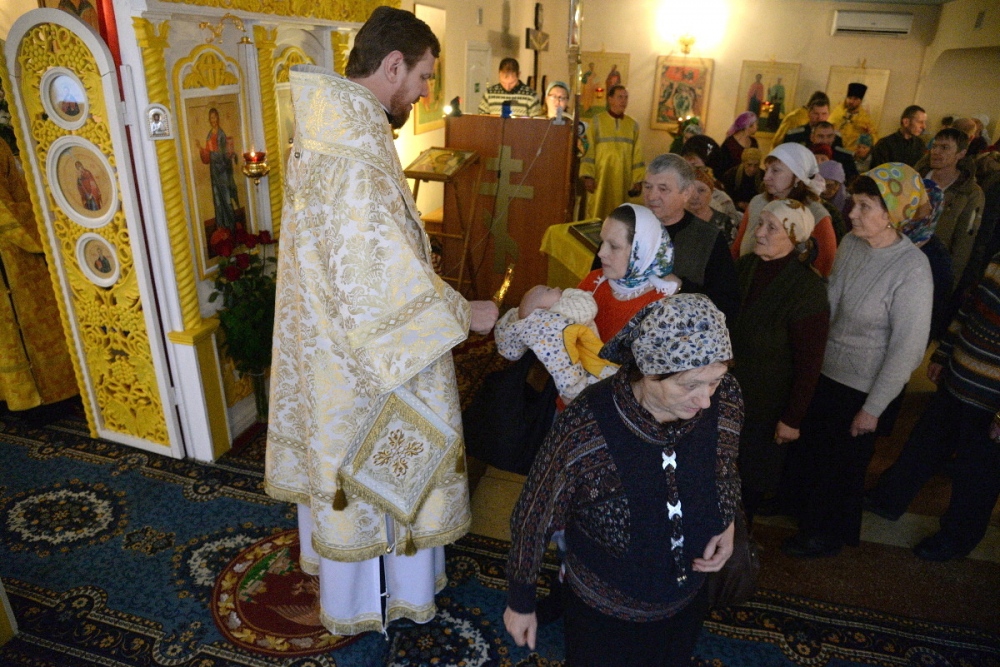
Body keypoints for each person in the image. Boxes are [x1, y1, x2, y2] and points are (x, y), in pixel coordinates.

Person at [266, 6, 499, 636]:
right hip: (365, 362)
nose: (424, 92)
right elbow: (375, 282)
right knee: (377, 474)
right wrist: (464, 312)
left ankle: (371, 590)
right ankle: (375, 599)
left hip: (335, 348)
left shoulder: (338, 129)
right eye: (423, 76)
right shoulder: (351, 153)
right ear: (393, 65)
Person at [504, 294, 741, 667]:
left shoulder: (726, 397)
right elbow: (536, 512)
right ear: (649, 370)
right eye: (690, 385)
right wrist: (520, 601)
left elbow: (725, 465)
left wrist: (728, 521)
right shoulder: (586, 425)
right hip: (603, 612)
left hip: (685, 603)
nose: (706, 400)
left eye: (714, 381)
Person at [779, 164, 933, 558]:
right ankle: (801, 512)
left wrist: (873, 408)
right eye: (854, 203)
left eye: (865, 206)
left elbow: (908, 350)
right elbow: (830, 303)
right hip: (825, 371)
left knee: (840, 468)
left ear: (892, 214)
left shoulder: (913, 270)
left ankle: (825, 535)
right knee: (811, 451)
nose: (852, 213)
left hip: (862, 387)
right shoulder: (851, 243)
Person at [864, 251, 1000, 561]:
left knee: (976, 478)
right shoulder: (997, 260)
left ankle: (955, 540)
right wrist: (943, 353)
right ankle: (888, 500)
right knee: (922, 446)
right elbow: (967, 310)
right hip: (957, 379)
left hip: (990, 402)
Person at [730, 199, 829, 525]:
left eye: (771, 227)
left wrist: (792, 418)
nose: (758, 232)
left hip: (767, 404)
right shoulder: (746, 267)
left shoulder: (807, 288)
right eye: (760, 223)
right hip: (727, 393)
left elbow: (809, 363)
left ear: (794, 236)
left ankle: (740, 542)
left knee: (751, 478)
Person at [0, 139, 78, 412]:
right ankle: (31, 399)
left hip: (16, 254)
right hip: (13, 251)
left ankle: (40, 394)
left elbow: (17, 189)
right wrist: (42, 226)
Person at [639, 154, 740, 323]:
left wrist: (681, 287)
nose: (651, 196)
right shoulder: (627, 227)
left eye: (663, 189)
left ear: (686, 193)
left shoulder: (709, 239)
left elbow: (727, 305)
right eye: (647, 186)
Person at [494, 286, 618, 404]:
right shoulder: (553, 318)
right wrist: (569, 292)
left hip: (579, 379)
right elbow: (588, 307)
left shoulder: (535, 328)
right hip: (587, 377)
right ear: (543, 308)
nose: (557, 288)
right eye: (549, 289)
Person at [730, 143, 838, 277]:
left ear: (797, 176)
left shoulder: (815, 213)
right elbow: (737, 248)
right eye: (766, 169)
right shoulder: (757, 202)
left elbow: (824, 266)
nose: (766, 177)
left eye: (775, 170)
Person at [579, 203, 681, 341]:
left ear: (642, 252)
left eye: (614, 246)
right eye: (602, 241)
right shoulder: (594, 281)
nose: (601, 253)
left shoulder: (661, 306)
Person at [920, 127, 985, 289]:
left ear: (961, 154)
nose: (936, 152)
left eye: (945, 147)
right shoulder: (915, 179)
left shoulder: (969, 193)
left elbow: (963, 245)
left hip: (934, 270)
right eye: (935, 146)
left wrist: (949, 285)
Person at [580, 85, 645, 221]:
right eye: (620, 97)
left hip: (623, 178)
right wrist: (588, 176)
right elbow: (588, 150)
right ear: (610, 99)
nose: (624, 101)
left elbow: (637, 154)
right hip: (600, 178)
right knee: (597, 212)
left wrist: (638, 180)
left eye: (626, 97)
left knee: (620, 215)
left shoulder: (633, 125)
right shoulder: (597, 121)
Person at [197, 108, 239, 231]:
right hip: (214, 172)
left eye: (214, 117)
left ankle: (232, 228)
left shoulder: (221, 134)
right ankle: (221, 228)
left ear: (218, 118)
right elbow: (207, 157)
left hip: (223, 172)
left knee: (226, 199)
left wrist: (211, 152)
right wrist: (201, 149)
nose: (213, 120)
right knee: (217, 200)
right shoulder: (210, 135)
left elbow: (222, 155)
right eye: (211, 118)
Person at [688, 166, 737, 244]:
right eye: (689, 190)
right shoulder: (673, 219)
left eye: (701, 190)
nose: (694, 196)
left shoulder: (724, 222)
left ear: (711, 193)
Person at [478, 58, 542, 117]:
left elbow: (537, 122)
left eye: (511, 83)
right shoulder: (489, 94)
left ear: (519, 75)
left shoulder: (531, 95)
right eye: (503, 82)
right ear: (499, 74)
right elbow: (481, 118)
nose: (507, 87)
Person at [828, 82, 877, 151]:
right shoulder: (838, 111)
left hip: (851, 152)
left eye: (855, 99)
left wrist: (869, 135)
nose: (851, 101)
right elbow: (827, 126)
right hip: (833, 148)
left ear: (861, 101)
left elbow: (874, 139)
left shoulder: (864, 118)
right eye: (849, 98)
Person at [720, 147, 763, 212]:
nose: (752, 169)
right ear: (743, 163)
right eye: (749, 165)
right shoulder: (730, 175)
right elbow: (725, 198)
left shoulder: (763, 176)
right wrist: (738, 204)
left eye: (756, 165)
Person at [718, 111, 759, 176]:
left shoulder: (754, 142)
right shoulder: (729, 143)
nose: (757, 127)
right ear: (748, 126)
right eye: (756, 124)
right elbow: (721, 166)